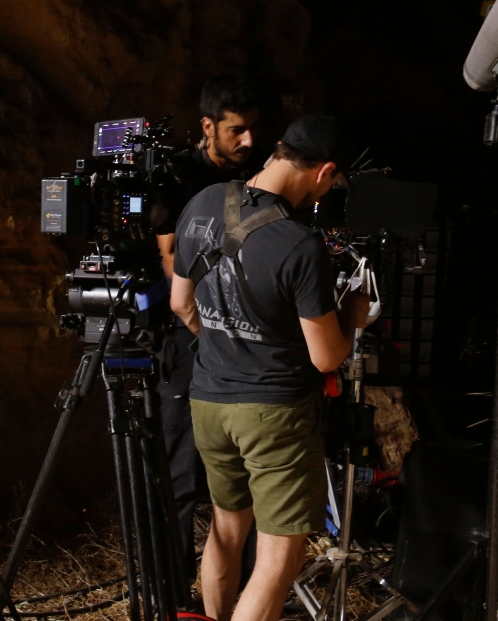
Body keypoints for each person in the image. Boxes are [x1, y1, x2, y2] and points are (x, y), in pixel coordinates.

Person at [169, 116, 364, 621]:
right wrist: (352, 316)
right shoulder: (299, 244)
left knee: (225, 532)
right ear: (324, 172)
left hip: (208, 401)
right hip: (273, 412)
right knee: (280, 555)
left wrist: (227, 345)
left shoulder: (203, 203)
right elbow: (326, 356)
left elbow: (180, 304)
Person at [155, 74, 261, 585]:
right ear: (207, 126)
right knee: (179, 470)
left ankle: (242, 590)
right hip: (188, 336)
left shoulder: (255, 174)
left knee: (245, 474)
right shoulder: (177, 176)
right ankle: (175, 592)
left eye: (253, 131)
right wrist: (208, 331)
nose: (248, 142)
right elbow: (170, 262)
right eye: (236, 130)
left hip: (241, 337)